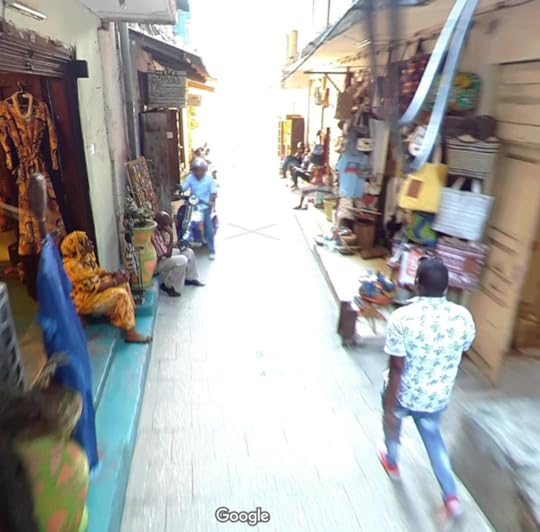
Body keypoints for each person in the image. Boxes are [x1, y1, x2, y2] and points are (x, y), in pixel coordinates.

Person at [379, 257, 476, 519]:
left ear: (417, 283)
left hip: (404, 395)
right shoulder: (462, 317)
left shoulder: (402, 317)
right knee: (434, 440)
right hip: (436, 397)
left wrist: (389, 410)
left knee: (392, 422)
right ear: (446, 287)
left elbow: (396, 367)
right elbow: (464, 347)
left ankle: (392, 460)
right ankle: (451, 497)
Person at [60, 231, 150, 344]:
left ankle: (128, 316)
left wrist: (114, 274)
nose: (90, 242)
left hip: (92, 292)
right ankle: (130, 334)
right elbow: (94, 286)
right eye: (86, 241)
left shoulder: (85, 256)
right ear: (78, 247)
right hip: (84, 300)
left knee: (124, 283)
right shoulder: (72, 266)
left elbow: (98, 272)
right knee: (120, 295)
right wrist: (116, 281)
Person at [152, 211, 204, 297]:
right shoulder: (153, 234)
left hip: (163, 255)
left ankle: (190, 278)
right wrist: (171, 235)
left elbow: (163, 247)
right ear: (160, 225)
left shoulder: (158, 231)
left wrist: (178, 245)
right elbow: (167, 254)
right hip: (157, 264)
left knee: (188, 252)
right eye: (166, 225)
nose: (167, 227)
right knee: (182, 260)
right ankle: (169, 286)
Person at [181, 158, 217, 260]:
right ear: (193, 170)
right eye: (196, 169)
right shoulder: (190, 178)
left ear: (204, 170)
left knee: (208, 226)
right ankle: (183, 245)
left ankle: (211, 250)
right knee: (184, 222)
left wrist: (210, 201)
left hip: (204, 206)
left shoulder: (209, 179)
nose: (198, 172)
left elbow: (213, 192)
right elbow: (183, 187)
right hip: (192, 205)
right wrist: (179, 189)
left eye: (201, 170)